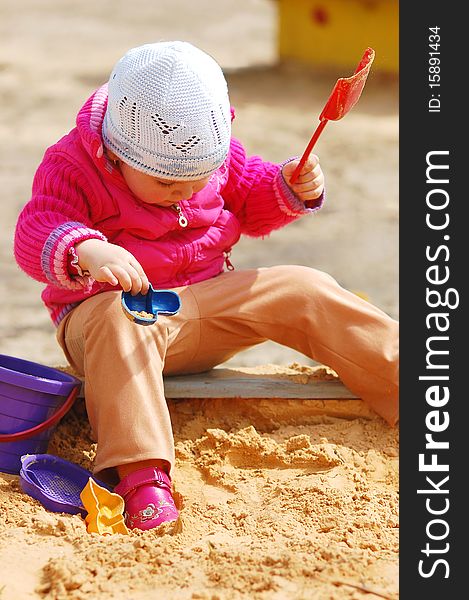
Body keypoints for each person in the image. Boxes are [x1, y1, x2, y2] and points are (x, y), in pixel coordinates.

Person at [14, 41, 398, 531]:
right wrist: (85, 249)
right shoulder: (73, 164)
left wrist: (288, 186)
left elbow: (251, 200)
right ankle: (141, 474)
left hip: (208, 303)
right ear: (115, 152)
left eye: (198, 181)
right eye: (169, 185)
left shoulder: (214, 156)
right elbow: (36, 228)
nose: (187, 193)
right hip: (115, 324)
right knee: (117, 316)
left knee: (303, 286)